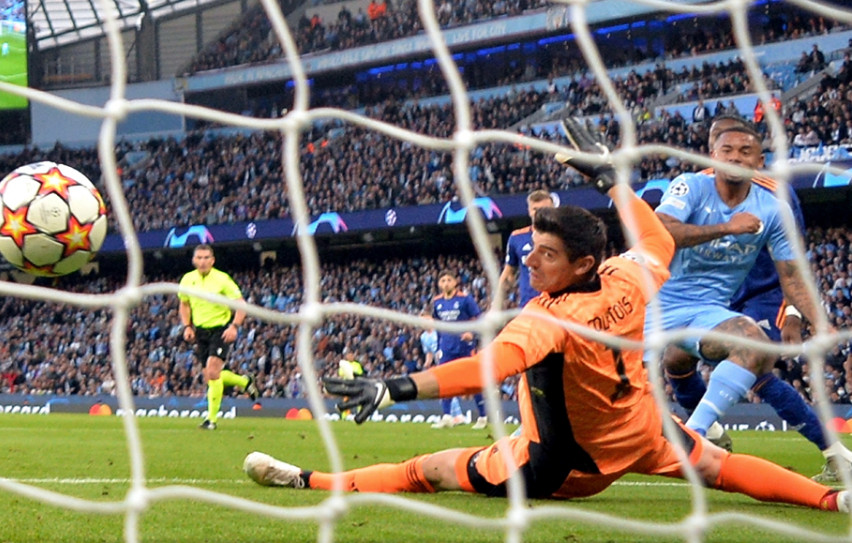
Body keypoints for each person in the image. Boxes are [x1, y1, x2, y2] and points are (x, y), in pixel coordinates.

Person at [243, 119, 849, 512]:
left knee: (424, 470)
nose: (531, 258)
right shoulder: (625, 276)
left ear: (582, 263)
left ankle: (306, 483)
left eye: (547, 254)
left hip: (566, 467)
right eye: (533, 247)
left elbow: (480, 369)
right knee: (717, 464)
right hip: (639, 433)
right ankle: (831, 502)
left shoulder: (547, 320)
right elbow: (654, 238)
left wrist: (395, 386)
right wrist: (615, 182)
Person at [648, 119, 852, 478]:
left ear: (759, 159)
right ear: (712, 152)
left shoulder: (774, 202)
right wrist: (727, 228)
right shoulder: (690, 186)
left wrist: (808, 318)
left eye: (745, 151)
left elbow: (792, 272)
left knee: (756, 358)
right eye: (725, 149)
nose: (734, 157)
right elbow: (659, 230)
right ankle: (711, 433)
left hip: (738, 302)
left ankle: (695, 437)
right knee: (674, 363)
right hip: (656, 302)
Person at [178, 244, 257, 430]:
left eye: (206, 258)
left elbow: (241, 304)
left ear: (212, 260)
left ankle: (211, 420)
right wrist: (187, 326)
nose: (203, 261)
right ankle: (244, 381)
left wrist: (234, 326)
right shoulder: (187, 280)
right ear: (194, 260)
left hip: (220, 330)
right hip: (200, 332)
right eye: (199, 257)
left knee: (213, 372)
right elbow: (184, 304)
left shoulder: (222, 279)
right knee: (210, 375)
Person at [430, 269, 486, 429]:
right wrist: (439, 345)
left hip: (465, 347)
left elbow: (479, 319)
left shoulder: (465, 299)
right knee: (444, 381)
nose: (445, 283)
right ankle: (447, 416)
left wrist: (472, 333)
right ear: (439, 284)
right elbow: (438, 325)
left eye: (449, 280)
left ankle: (482, 417)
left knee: (473, 382)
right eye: (442, 280)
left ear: (455, 282)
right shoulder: (436, 302)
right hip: (446, 347)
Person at [498, 190, 557, 307]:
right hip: (529, 306)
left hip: (557, 304)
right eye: (535, 209)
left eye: (544, 209)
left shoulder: (564, 236)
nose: (539, 213)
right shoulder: (517, 237)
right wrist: (497, 302)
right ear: (529, 211)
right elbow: (509, 272)